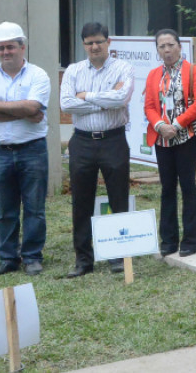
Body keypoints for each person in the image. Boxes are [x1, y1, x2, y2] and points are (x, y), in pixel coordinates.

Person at [60, 22, 134, 277]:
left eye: (99, 41)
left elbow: (121, 99)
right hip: (81, 141)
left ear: (108, 42)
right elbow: (66, 105)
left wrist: (86, 96)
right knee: (81, 201)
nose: (94, 46)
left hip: (113, 140)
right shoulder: (73, 70)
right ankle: (83, 260)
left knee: (118, 199)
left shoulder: (123, 67)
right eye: (89, 42)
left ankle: (117, 256)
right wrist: (103, 99)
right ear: (83, 44)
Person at [0, 22, 50, 276]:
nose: (6, 52)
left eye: (11, 47)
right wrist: (24, 111)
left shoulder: (39, 75)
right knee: (4, 209)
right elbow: (29, 110)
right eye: (1, 48)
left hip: (32, 149)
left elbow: (34, 106)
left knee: (34, 208)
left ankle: (32, 256)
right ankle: (8, 257)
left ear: (22, 47)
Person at [144, 28, 196, 258]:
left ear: (180, 47)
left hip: (186, 138)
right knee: (167, 188)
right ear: (158, 50)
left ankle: (190, 240)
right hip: (162, 140)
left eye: (170, 44)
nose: (167, 49)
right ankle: (168, 240)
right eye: (162, 46)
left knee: (188, 187)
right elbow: (149, 106)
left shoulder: (194, 71)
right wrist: (161, 126)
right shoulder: (153, 75)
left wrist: (177, 125)